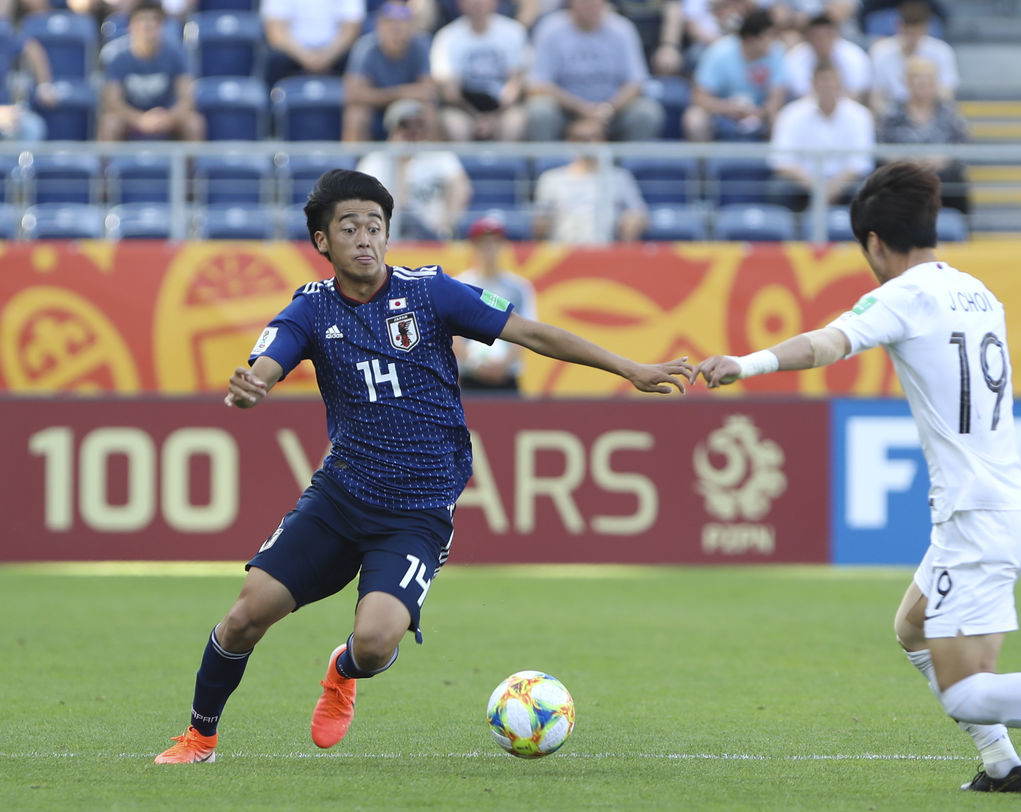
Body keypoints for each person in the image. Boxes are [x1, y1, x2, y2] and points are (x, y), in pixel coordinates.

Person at [153, 168, 692, 764]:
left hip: (417, 512)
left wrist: (630, 369)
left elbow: (532, 333)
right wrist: (254, 385)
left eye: (375, 226)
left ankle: (343, 670)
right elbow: (269, 357)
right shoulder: (310, 308)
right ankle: (199, 737)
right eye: (349, 227)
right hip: (340, 498)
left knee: (376, 643)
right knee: (245, 614)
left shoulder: (431, 292)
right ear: (322, 242)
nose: (364, 238)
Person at [689, 161, 1021, 793]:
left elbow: (826, 344)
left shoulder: (904, 294)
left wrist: (744, 364)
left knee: (968, 695)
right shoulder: (979, 292)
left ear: (872, 243)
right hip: (1003, 504)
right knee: (911, 627)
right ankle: (1003, 768)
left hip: (977, 514)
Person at [524, 0, 664, 142]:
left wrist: (607, 109)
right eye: (586, 4)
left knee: (646, 112)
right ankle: (545, 163)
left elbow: (636, 83)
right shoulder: (550, 28)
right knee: (539, 111)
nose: (591, 8)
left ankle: (633, 164)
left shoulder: (622, 28)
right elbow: (538, 85)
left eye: (596, 4)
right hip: (566, 112)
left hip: (612, 112)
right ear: (571, 4)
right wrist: (582, 109)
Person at [356, 99, 471, 241]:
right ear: (392, 128)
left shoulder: (439, 155)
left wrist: (446, 224)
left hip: (433, 233)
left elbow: (461, 188)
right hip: (390, 234)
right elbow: (397, 205)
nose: (413, 131)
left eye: (419, 124)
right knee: (404, 219)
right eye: (405, 125)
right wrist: (401, 161)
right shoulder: (375, 160)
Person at [768, 63, 874, 212]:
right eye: (823, 81)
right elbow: (782, 161)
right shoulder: (790, 114)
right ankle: (790, 233)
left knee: (866, 189)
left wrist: (833, 187)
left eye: (832, 81)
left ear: (841, 83)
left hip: (845, 183)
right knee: (778, 187)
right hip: (802, 182)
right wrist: (817, 187)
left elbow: (860, 163)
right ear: (813, 83)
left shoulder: (860, 115)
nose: (828, 85)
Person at [98, 0, 204, 142]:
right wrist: (140, 119)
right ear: (131, 26)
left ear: (162, 26)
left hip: (167, 117)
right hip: (131, 118)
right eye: (141, 20)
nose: (147, 25)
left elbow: (187, 99)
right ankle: (107, 165)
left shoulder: (176, 53)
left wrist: (168, 117)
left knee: (194, 123)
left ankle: (192, 165)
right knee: (109, 123)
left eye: (153, 20)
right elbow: (112, 102)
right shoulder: (115, 55)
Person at [876, 55, 969, 214]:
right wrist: (907, 161)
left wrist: (941, 160)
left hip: (941, 175)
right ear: (905, 82)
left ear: (936, 82)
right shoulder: (890, 114)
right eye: (916, 77)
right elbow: (880, 146)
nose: (922, 83)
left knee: (955, 183)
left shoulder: (950, 114)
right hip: (900, 175)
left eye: (927, 78)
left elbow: (962, 146)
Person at [453, 214, 536, 392]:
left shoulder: (519, 287)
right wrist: (472, 361)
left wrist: (503, 364)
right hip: (470, 378)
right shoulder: (460, 285)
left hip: (508, 377)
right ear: (474, 247)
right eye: (483, 243)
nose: (489, 249)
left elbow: (527, 330)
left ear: (502, 246)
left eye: (494, 243)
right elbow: (452, 332)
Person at [533, 117, 648, 244]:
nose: (587, 144)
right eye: (580, 139)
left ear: (603, 141)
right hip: (563, 251)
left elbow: (640, 213)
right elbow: (539, 222)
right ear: (569, 142)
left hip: (605, 250)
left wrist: (633, 222)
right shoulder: (551, 178)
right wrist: (542, 223)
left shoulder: (619, 177)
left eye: (593, 137)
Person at [429, 0, 529, 142]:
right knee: (454, 125)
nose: (477, 4)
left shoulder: (513, 32)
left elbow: (516, 82)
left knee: (514, 123)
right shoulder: (447, 37)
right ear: (461, 4)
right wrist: (476, 117)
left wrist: (493, 118)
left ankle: (505, 164)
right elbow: (450, 92)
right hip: (465, 108)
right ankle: (460, 164)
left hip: (502, 108)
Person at [683, 8, 786, 142]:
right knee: (694, 118)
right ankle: (703, 163)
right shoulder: (719, 52)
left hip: (759, 113)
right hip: (720, 113)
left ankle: (778, 162)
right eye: (768, 36)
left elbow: (777, 97)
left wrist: (762, 112)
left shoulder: (776, 51)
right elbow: (699, 98)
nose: (773, 41)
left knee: (780, 119)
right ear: (750, 39)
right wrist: (729, 108)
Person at [342, 0, 434, 142]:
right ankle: (355, 164)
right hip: (375, 110)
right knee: (356, 116)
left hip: (410, 108)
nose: (396, 30)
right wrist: (401, 93)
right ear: (379, 26)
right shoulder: (366, 47)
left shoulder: (420, 45)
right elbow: (353, 94)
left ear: (411, 27)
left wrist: (380, 95)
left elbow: (427, 91)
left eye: (401, 24)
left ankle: (432, 163)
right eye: (390, 24)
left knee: (430, 113)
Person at [867, 0, 956, 117]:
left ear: (926, 28)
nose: (912, 38)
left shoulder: (942, 51)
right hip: (892, 116)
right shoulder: (881, 51)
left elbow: (946, 94)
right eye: (908, 32)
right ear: (898, 26)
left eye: (916, 33)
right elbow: (876, 97)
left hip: (930, 114)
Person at [261, 0, 364, 88]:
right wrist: (306, 57)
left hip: (335, 51)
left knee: (357, 58)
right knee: (275, 58)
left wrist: (326, 57)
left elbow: (351, 30)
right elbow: (275, 32)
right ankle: (271, 109)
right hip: (292, 52)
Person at [783, 13, 870, 104]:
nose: (822, 41)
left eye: (827, 36)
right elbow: (801, 95)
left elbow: (855, 93)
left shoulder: (854, 56)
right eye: (817, 37)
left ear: (835, 35)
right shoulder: (795, 58)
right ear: (807, 38)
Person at [0, 9, 54, 142]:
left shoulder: (2, 34)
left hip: (7, 113)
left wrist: (44, 85)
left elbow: (32, 48)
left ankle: (22, 164)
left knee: (32, 126)